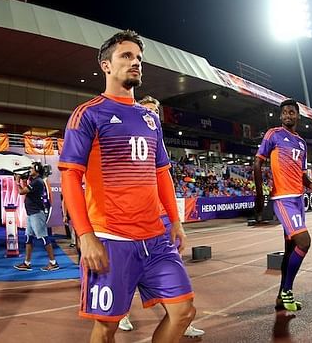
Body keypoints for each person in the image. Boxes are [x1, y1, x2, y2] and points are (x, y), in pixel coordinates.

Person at [59, 30, 196, 343]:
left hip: (155, 238)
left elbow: (161, 171)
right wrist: (85, 236)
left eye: (138, 58)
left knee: (184, 311)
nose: (135, 63)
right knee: (107, 327)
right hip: (111, 240)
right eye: (126, 56)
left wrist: (175, 221)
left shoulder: (150, 118)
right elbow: (70, 177)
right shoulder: (89, 114)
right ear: (106, 65)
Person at [117, 95, 204, 338]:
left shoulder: (158, 143)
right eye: (146, 111)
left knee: (174, 270)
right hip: (137, 221)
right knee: (130, 270)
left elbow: (165, 180)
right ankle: (122, 312)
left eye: (155, 112)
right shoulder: (127, 142)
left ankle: (180, 319)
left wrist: (176, 221)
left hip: (163, 218)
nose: (150, 115)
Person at [253, 98, 312, 312]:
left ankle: (281, 297)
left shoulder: (301, 143)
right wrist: (259, 194)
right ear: (280, 116)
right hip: (283, 199)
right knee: (305, 242)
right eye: (284, 113)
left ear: (297, 116)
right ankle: (288, 291)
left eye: (291, 112)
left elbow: (301, 174)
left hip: (298, 199)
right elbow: (257, 162)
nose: (288, 116)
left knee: (290, 249)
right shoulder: (273, 134)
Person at [13, 162, 59, 272]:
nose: (30, 169)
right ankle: (27, 263)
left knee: (43, 237)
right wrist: (23, 180)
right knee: (28, 238)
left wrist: (17, 182)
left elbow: (21, 192)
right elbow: (26, 190)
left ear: (37, 170)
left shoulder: (38, 181)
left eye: (32, 168)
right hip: (31, 214)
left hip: (37, 214)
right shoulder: (34, 181)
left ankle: (53, 262)